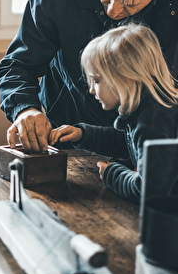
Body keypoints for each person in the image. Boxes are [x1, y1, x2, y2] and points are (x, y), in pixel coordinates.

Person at [0, 0, 178, 154]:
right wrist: (26, 109)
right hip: (73, 128)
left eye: (130, 5)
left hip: (158, 136)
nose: (113, 11)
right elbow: (18, 64)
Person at [49, 24, 178, 203]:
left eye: (96, 81)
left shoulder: (153, 120)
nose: (92, 91)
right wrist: (82, 135)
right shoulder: (146, 108)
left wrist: (111, 173)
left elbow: (147, 192)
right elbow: (127, 142)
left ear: (124, 77)